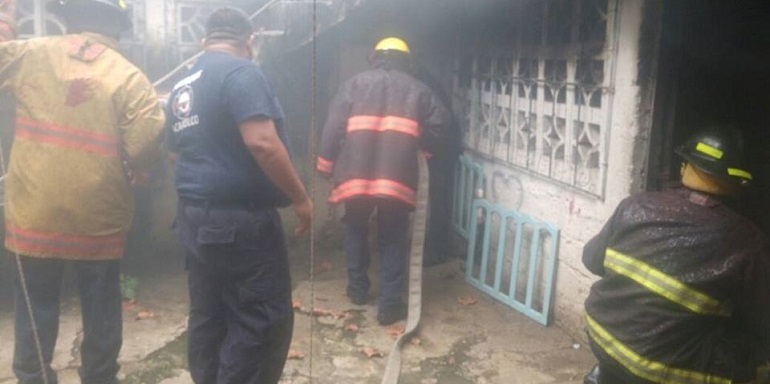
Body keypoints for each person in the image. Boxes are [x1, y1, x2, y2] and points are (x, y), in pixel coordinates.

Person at [0, 0, 166, 382]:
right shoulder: (129, 77)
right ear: (118, 26)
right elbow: (145, 143)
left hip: (33, 214)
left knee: (36, 304)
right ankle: (99, 376)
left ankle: (33, 376)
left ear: (70, 16)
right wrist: (139, 167)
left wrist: (6, 24)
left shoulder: (32, 54)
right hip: (98, 220)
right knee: (100, 306)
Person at [165, 7, 312, 384]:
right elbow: (263, 143)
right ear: (250, 41)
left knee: (209, 313)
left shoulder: (184, 84)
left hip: (193, 218)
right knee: (260, 319)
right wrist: (300, 198)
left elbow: (175, 152)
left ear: (205, 42)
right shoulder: (243, 72)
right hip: (240, 222)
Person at [582, 127, 770, 383]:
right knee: (758, 369)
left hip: (600, 334)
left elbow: (591, 260)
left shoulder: (635, 206)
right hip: (661, 368)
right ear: (739, 182)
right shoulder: (747, 241)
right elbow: (762, 320)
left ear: (684, 166)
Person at [316, 37, 450, 326]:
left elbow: (331, 128)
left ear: (374, 57)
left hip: (355, 177)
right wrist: (421, 151)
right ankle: (390, 305)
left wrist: (325, 167)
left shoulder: (353, 85)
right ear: (406, 60)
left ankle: (357, 291)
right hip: (397, 178)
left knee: (355, 230)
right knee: (393, 237)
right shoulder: (420, 90)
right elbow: (440, 128)